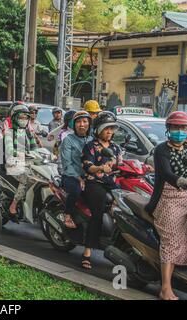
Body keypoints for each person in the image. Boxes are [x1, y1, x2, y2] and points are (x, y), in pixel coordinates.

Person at [145, 111, 187, 300]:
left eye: (183, 128)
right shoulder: (161, 150)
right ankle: (165, 287)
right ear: (169, 129)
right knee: (171, 241)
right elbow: (166, 174)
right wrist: (186, 182)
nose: (180, 131)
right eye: (176, 127)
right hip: (166, 199)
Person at [81, 111, 122, 270]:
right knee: (97, 213)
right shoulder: (91, 146)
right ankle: (87, 251)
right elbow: (87, 166)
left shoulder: (115, 148)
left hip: (112, 184)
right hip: (94, 183)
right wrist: (100, 168)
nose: (110, 132)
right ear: (98, 130)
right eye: (107, 129)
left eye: (112, 129)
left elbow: (121, 164)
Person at [5, 104, 38, 222]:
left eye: (26, 118)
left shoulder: (28, 132)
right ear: (14, 118)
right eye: (21, 118)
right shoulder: (9, 132)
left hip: (28, 162)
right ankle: (13, 206)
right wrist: (18, 153)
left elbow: (35, 148)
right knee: (28, 178)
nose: (23, 120)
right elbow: (9, 149)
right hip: (13, 164)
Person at [59, 111, 92, 229]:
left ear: (89, 123)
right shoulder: (68, 140)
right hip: (70, 175)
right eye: (78, 122)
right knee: (76, 190)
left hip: (89, 176)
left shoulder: (92, 140)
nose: (81, 124)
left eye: (84, 121)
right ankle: (67, 215)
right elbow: (67, 163)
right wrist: (78, 177)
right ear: (74, 124)